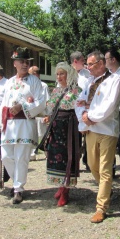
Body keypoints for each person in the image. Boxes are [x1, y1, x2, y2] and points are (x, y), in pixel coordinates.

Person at [75, 50, 120, 223]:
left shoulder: (114, 80)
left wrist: (91, 117)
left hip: (108, 130)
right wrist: (84, 117)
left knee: (104, 169)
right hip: (91, 130)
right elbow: (79, 102)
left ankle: (101, 207)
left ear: (101, 64)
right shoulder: (89, 83)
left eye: (91, 64)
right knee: (91, 164)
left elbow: (108, 106)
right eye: (87, 64)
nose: (88, 68)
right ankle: (106, 189)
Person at [0, 47, 46, 204]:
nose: (25, 64)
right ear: (15, 63)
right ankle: (16, 180)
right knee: (6, 156)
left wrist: (23, 105)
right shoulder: (9, 82)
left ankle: (18, 189)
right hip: (8, 125)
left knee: (21, 157)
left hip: (24, 123)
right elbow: (1, 105)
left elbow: (41, 102)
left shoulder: (35, 82)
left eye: (27, 62)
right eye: (22, 61)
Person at [39, 62, 81, 207]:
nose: (59, 76)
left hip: (69, 128)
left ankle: (65, 190)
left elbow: (78, 110)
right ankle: (60, 186)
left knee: (68, 157)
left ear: (68, 74)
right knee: (55, 158)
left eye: (62, 73)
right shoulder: (56, 91)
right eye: (57, 74)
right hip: (56, 128)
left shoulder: (76, 91)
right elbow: (50, 108)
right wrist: (48, 117)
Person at [70, 51, 91, 170]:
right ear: (75, 61)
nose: (85, 62)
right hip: (72, 109)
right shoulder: (67, 73)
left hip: (85, 107)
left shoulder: (87, 73)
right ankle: (75, 163)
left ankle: (88, 160)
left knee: (88, 135)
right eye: (83, 60)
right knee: (75, 138)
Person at [28, 65, 50, 161]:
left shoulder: (43, 85)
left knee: (42, 134)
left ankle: (47, 152)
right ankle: (32, 153)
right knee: (32, 134)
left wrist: (48, 115)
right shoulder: (28, 86)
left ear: (35, 74)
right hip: (31, 115)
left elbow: (48, 100)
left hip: (41, 114)